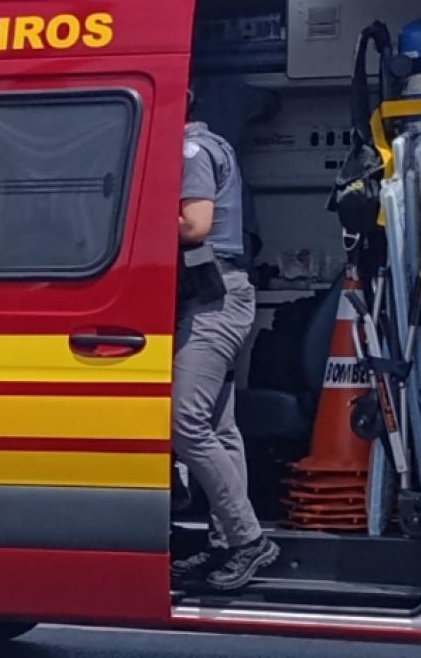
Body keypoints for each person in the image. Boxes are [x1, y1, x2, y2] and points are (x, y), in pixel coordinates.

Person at [171, 97, 278, 591]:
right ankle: (223, 543)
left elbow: (193, 226)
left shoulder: (190, 150)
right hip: (223, 296)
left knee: (184, 420)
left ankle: (247, 540)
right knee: (218, 424)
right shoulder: (209, 144)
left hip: (214, 299)